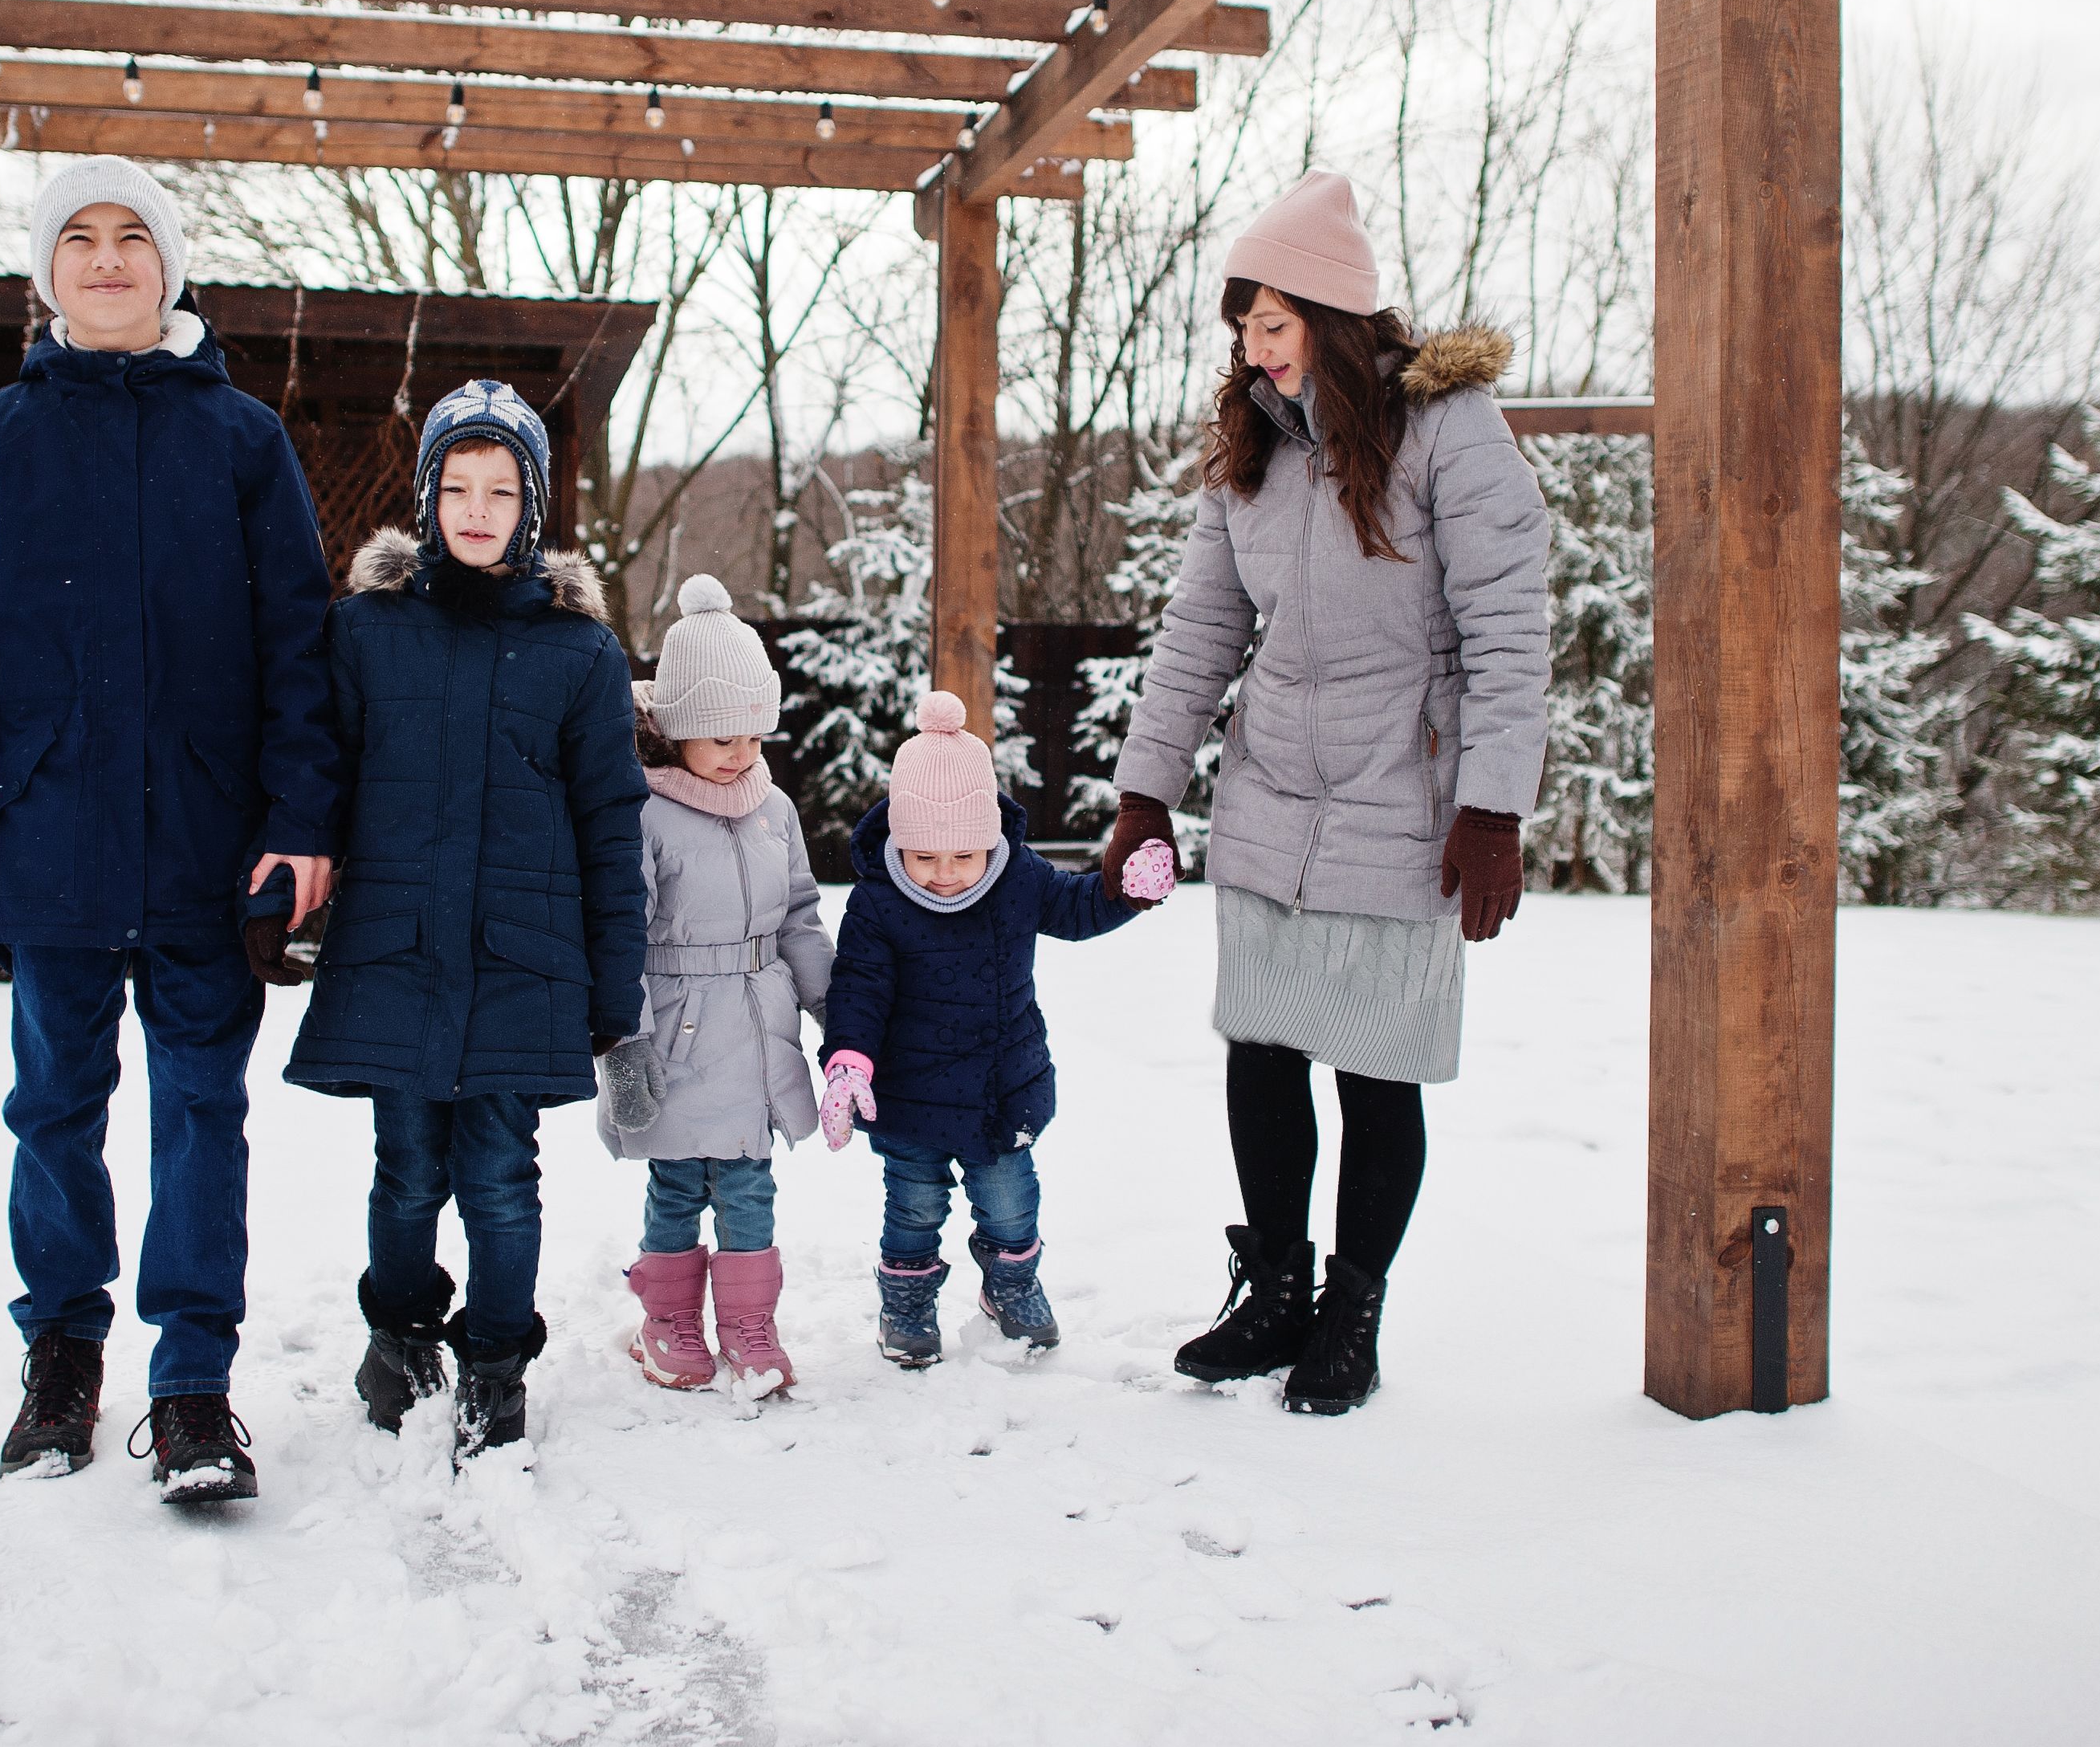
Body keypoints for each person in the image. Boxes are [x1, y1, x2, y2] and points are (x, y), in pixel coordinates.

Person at [0, 155, 340, 1505]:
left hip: (214, 845)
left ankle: (192, 1383)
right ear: (48, 274)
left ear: (171, 266)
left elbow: (298, 652)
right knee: (55, 1106)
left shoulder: (242, 440)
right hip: (48, 835)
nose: (106, 259)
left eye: (131, 237)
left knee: (202, 1107)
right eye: (79, 239)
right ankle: (60, 1359)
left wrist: (300, 817)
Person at [1101, 169, 1551, 1417]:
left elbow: (1508, 630)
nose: (1253, 348)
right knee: (1261, 1049)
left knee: (1374, 1069)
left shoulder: (1451, 432)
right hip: (1271, 793)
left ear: (1336, 320)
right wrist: (1147, 793)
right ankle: (1277, 1294)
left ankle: (1351, 1313)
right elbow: (1201, 631)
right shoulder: (1250, 451)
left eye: (1273, 324)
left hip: (1405, 798)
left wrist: (1495, 805)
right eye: (1243, 326)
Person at [271, 380, 647, 1464]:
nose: (476, 508)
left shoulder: (578, 655)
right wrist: (281, 901)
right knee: (406, 1169)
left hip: (525, 962)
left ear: (530, 506)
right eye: (456, 485)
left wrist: (612, 996)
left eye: (500, 489)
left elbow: (609, 829)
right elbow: (315, 779)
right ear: (428, 494)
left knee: (500, 1174)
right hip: (395, 948)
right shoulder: (365, 633)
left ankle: (495, 1361)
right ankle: (398, 1334)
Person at [817, 691, 1172, 1368]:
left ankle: (1011, 1286)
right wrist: (848, 1065)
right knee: (914, 1209)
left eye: (963, 857)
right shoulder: (877, 904)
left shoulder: (1017, 878)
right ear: (897, 840)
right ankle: (908, 1304)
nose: (944, 876)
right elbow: (858, 990)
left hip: (1001, 1091)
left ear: (991, 840)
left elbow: (1078, 909)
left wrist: (1127, 891)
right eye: (924, 857)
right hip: (908, 1097)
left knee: (1011, 1204)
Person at [599, 575, 835, 1398]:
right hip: (675, 1027)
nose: (740, 752)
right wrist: (624, 1047)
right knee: (675, 1183)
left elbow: (800, 915)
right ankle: (665, 1320)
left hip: (759, 1025)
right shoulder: (644, 815)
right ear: (674, 732)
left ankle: (748, 1323)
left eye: (752, 734)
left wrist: (832, 1011)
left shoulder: (774, 809)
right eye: (719, 735)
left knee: (747, 1185)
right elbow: (619, 932)